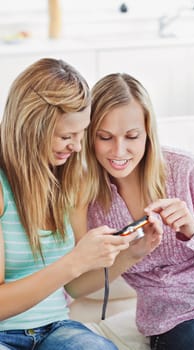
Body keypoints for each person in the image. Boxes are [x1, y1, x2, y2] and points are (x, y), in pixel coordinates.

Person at [77, 72, 194, 350]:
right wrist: (129, 254)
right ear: (90, 136)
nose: (119, 150)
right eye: (105, 137)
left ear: (148, 132)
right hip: (178, 319)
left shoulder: (188, 171)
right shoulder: (87, 201)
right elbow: (76, 285)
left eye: (132, 136)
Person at [0, 59, 144, 350]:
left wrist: (129, 254)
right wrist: (75, 259)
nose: (78, 147)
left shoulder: (72, 180)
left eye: (82, 134)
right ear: (31, 129)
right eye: (66, 136)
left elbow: (75, 286)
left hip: (55, 328)